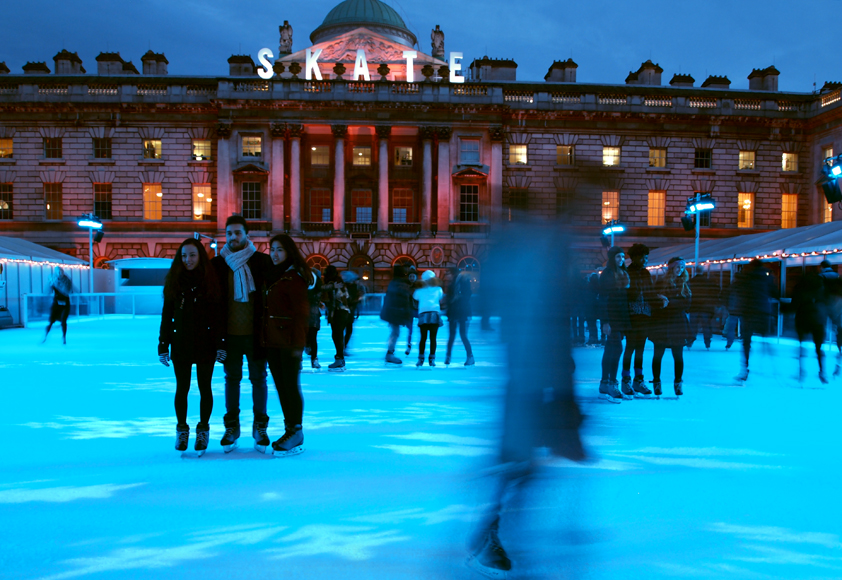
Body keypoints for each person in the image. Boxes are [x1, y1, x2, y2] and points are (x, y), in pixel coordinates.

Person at [466, 217, 585, 579]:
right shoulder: (538, 279)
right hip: (532, 386)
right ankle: (490, 534)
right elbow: (538, 338)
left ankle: (494, 533)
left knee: (525, 465)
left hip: (542, 385)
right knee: (522, 463)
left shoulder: (543, 278)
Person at [210, 215, 273, 453]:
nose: (233, 237)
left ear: (247, 235)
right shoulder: (218, 264)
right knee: (231, 380)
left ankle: (260, 427)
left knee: (259, 379)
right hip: (229, 336)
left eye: (237, 232)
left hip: (256, 334)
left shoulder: (261, 262)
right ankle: (232, 427)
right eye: (229, 233)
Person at [158, 238, 225, 456]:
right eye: (184, 255)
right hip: (181, 342)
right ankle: (182, 428)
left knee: (205, 387)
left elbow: (218, 317)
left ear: (200, 257)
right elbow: (167, 314)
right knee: (182, 388)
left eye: (192, 255)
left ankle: (203, 429)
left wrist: (220, 343)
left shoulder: (210, 280)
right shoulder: (174, 281)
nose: (188, 260)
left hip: (205, 343)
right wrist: (163, 343)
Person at [262, 234, 310, 456]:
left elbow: (301, 314)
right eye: (272, 249)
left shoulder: (294, 278)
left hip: (289, 342)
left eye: (279, 249)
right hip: (273, 341)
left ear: (289, 251)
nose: (274, 254)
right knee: (282, 387)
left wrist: (298, 344)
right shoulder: (275, 275)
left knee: (290, 387)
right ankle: (290, 429)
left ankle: (296, 430)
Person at [649, 257, 691, 396]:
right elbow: (655, 301)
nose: (680, 270)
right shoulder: (661, 282)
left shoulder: (683, 283)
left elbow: (686, 304)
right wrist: (662, 302)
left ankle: (678, 383)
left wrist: (669, 302)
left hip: (677, 324)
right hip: (662, 322)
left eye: (682, 267)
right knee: (658, 354)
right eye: (678, 267)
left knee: (678, 355)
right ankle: (656, 382)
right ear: (671, 268)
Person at [733, 259, 778, 381]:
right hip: (764, 311)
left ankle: (745, 368)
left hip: (748, 311)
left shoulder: (746, 277)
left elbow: (739, 292)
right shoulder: (767, 277)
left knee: (746, 341)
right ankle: (769, 367)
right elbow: (775, 292)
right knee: (765, 338)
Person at [621, 244, 654, 398]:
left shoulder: (646, 274)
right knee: (630, 347)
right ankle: (626, 379)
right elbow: (624, 296)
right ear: (634, 257)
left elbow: (651, 293)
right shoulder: (627, 272)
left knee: (640, 348)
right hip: (632, 315)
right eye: (642, 257)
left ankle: (638, 379)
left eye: (646, 257)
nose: (645, 260)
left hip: (644, 316)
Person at [598, 246, 630, 402]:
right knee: (616, 349)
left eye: (623, 257)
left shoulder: (623, 273)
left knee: (611, 349)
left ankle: (605, 383)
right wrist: (605, 321)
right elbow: (603, 299)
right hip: (612, 317)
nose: (621, 259)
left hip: (620, 317)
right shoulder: (607, 274)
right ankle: (611, 382)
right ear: (612, 258)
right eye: (618, 257)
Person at [792, 271, 828, 384]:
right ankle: (822, 371)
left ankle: (801, 372)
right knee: (819, 348)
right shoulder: (822, 288)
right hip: (818, 319)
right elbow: (826, 303)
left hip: (803, 318)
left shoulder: (799, 288)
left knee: (802, 346)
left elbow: (794, 304)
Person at [380, 265, 413, 365]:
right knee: (395, 333)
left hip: (391, 312)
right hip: (395, 312)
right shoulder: (401, 284)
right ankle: (389, 353)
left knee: (395, 332)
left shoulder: (393, 282)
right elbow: (403, 300)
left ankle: (390, 352)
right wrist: (406, 314)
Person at [322, 265, 351, 371]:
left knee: (337, 335)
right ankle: (340, 358)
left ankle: (339, 358)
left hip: (338, 312)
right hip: (344, 311)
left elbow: (331, 298)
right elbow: (347, 296)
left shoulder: (332, 284)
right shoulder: (340, 282)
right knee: (338, 335)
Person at [445, 266, 475, 366]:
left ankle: (469, 356)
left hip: (461, 313)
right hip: (455, 313)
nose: (447, 276)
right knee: (455, 336)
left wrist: (457, 298)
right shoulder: (452, 284)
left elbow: (467, 295)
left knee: (461, 335)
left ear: (453, 274)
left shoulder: (463, 282)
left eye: (448, 273)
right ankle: (449, 356)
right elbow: (449, 300)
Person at [413, 270, 444, 367]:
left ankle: (421, 359)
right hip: (434, 313)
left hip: (423, 313)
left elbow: (415, 297)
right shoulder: (438, 289)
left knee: (423, 338)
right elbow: (440, 297)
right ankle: (432, 359)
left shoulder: (419, 290)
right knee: (433, 338)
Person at [818, 260, 842, 376]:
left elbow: (819, 291)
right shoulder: (837, 276)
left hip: (826, 305)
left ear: (822, 267)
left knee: (826, 328)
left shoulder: (821, 276)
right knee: (838, 331)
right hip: (837, 306)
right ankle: (838, 361)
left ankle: (824, 342)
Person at [688, 272, 720, 350]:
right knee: (706, 326)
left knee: (693, 326)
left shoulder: (691, 282)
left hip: (694, 307)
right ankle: (707, 343)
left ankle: (690, 342)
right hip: (706, 308)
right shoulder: (708, 283)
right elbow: (714, 294)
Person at [43, 266, 72, 344]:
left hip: (65, 304)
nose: (60, 273)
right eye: (58, 272)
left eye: (61, 271)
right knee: (51, 321)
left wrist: (58, 286)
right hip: (56, 304)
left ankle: (64, 337)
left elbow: (68, 291)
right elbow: (47, 292)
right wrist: (50, 284)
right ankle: (45, 336)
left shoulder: (67, 280)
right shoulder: (54, 280)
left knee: (63, 321)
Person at [340, 270, 366, 356]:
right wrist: (357, 300)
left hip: (350, 312)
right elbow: (349, 300)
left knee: (348, 331)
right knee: (344, 330)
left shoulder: (355, 287)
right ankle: (342, 348)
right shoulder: (346, 288)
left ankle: (344, 347)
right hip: (345, 312)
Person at [305, 268, 323, 370]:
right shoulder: (316, 286)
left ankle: (312, 359)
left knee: (309, 337)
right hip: (312, 314)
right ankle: (314, 359)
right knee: (312, 338)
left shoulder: (307, 286)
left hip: (310, 314)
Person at [405, 266, 418, 354]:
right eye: (410, 276)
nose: (412, 278)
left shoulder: (419, 286)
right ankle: (409, 344)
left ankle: (421, 343)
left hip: (417, 309)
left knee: (421, 327)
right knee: (410, 329)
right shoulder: (406, 286)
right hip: (409, 310)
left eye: (413, 276)